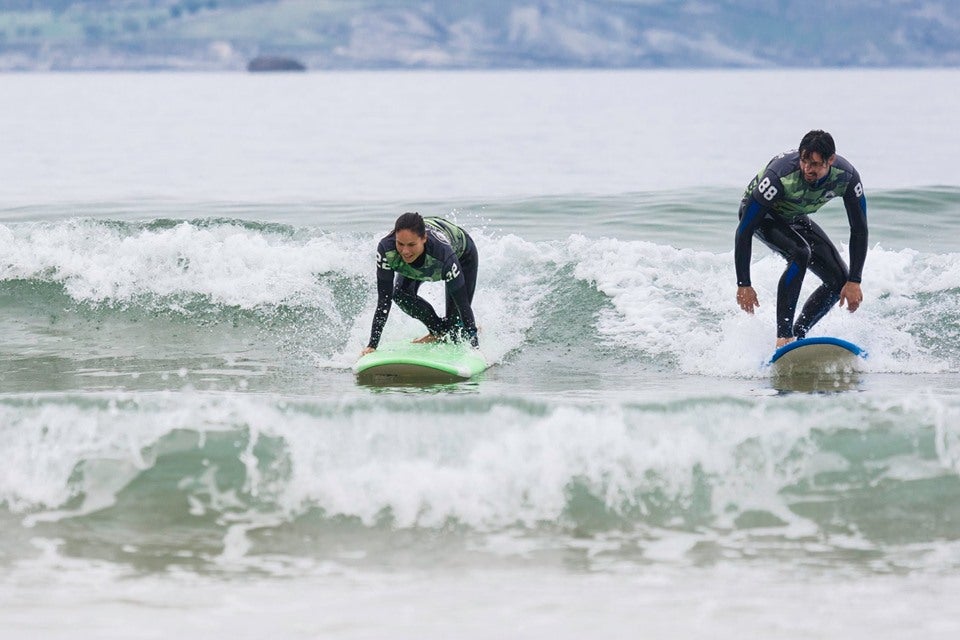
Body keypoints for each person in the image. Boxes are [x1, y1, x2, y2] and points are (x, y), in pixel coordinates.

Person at [734, 130, 868, 348]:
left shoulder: (847, 177)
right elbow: (745, 229)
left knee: (839, 280)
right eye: (804, 161)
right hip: (760, 216)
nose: (807, 169)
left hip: (793, 216)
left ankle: (798, 335)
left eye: (815, 164)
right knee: (800, 253)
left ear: (830, 161)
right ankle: (783, 338)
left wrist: (855, 280)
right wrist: (744, 284)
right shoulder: (780, 176)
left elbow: (859, 229)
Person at [361, 212, 479, 355]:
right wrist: (372, 344)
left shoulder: (443, 254)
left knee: (455, 334)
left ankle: (464, 329)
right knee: (399, 294)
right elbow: (384, 301)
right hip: (425, 245)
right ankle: (438, 331)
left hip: (463, 255)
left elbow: (463, 304)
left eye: (411, 244)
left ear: (424, 239)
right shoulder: (387, 249)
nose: (405, 251)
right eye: (400, 244)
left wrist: (475, 348)